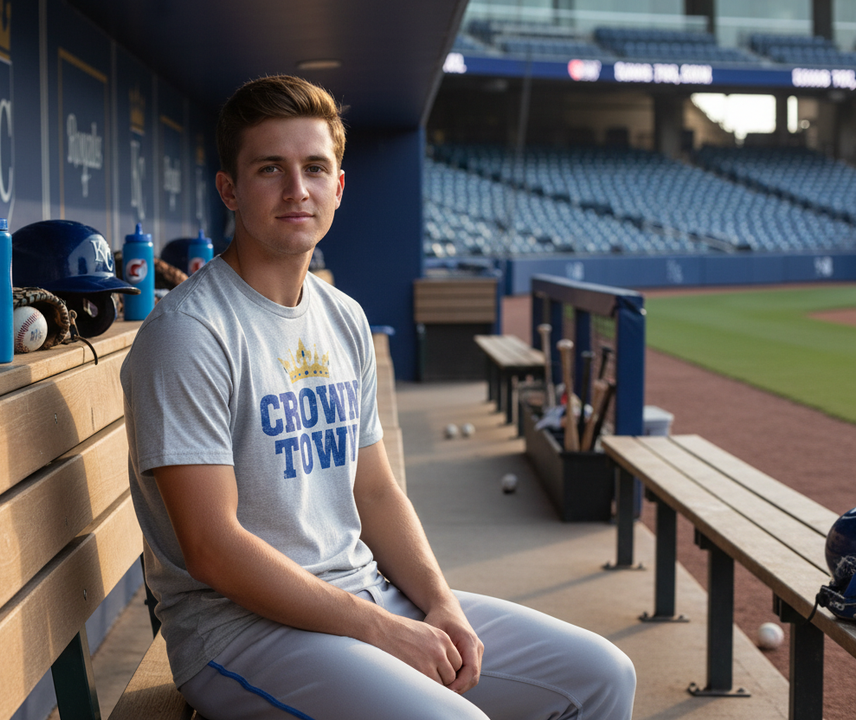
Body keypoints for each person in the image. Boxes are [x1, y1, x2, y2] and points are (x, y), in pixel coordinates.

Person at [121, 74, 636, 720]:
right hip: (238, 632)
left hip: (361, 593)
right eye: (269, 169)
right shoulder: (190, 334)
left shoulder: (344, 317)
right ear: (229, 188)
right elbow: (212, 546)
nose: (295, 190)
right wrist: (381, 629)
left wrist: (439, 602)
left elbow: (376, 493)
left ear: (338, 186)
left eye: (314, 168)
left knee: (603, 675)